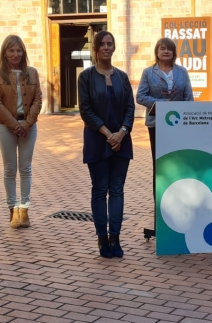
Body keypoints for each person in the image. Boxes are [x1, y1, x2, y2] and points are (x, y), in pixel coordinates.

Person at [78, 31, 135, 258]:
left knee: (118, 190)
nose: (106, 48)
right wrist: (107, 133)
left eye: (110, 44)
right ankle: (102, 238)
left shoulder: (122, 77)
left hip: (121, 142)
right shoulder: (86, 77)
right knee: (100, 190)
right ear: (95, 48)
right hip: (97, 141)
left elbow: (130, 108)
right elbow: (85, 110)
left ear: (114, 47)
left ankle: (116, 239)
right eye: (102, 44)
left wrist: (121, 133)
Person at [135, 37, 194, 229]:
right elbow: (141, 96)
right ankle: (160, 207)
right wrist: (162, 105)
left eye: (169, 49)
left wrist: (185, 117)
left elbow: (189, 98)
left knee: (179, 164)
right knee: (160, 166)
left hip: (180, 127)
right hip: (157, 126)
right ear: (157, 51)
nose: (166, 51)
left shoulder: (182, 72)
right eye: (162, 48)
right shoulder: (148, 73)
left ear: (174, 52)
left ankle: (179, 205)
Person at [0, 35, 43, 229]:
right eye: (11, 50)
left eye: (19, 50)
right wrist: (15, 125)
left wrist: (27, 124)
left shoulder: (32, 73)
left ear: (23, 52)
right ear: (4, 52)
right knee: (10, 168)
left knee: (26, 168)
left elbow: (38, 100)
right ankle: (12, 209)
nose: (15, 54)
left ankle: (24, 209)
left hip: (28, 126)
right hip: (6, 127)